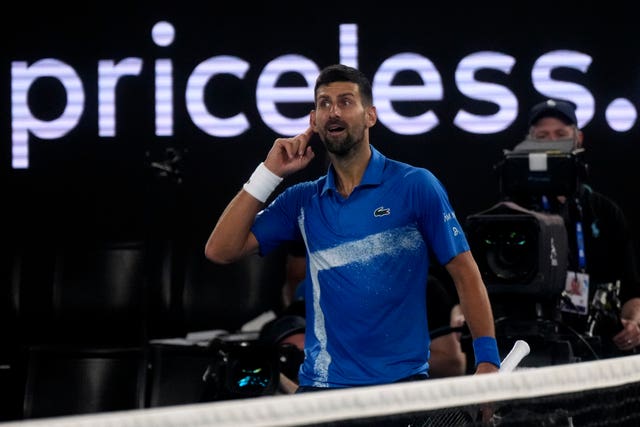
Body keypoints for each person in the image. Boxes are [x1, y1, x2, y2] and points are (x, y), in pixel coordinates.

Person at [204, 64, 499, 390]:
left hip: (399, 390)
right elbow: (221, 250)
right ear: (313, 120)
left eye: (345, 102)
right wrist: (269, 173)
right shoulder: (301, 201)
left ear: (370, 115)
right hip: (321, 391)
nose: (333, 112)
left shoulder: (415, 185)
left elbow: (465, 272)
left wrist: (487, 360)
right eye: (324, 103)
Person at [509, 98, 640, 357]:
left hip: (597, 344)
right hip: (528, 347)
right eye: (543, 136)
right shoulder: (513, 211)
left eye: (561, 134)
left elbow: (631, 289)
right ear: (529, 143)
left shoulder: (604, 211)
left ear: (578, 139)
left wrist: (634, 322)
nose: (552, 142)